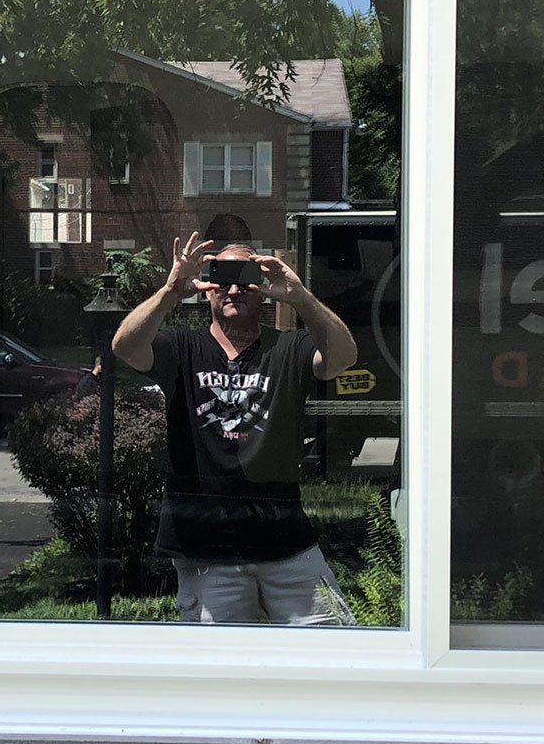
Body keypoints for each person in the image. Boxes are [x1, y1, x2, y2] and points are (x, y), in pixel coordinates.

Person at [111, 230, 360, 624]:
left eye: (244, 278)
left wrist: (302, 297)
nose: (232, 289)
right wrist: (171, 291)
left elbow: (344, 357)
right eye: (221, 279)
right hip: (207, 550)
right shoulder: (181, 348)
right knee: (218, 674)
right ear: (207, 290)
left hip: (286, 545)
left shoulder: (288, 349)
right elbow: (125, 347)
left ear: (262, 289)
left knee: (331, 657)